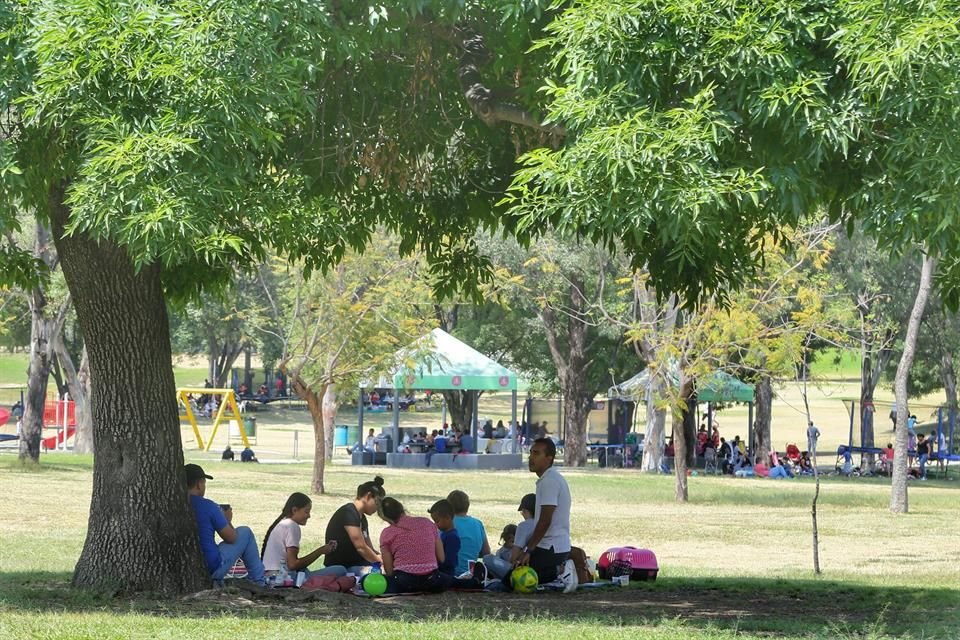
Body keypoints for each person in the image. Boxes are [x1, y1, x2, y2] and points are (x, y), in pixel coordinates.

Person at [185, 463, 265, 585]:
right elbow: (231, 538)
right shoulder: (209, 506)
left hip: (186, 566)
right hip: (210, 567)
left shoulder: (175, 505)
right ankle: (259, 582)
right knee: (245, 532)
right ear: (198, 484)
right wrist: (227, 519)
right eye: (204, 483)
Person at [517, 437, 578, 593]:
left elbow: (545, 520)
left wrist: (529, 550)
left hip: (551, 547)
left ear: (549, 458)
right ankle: (557, 576)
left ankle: (561, 572)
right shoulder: (549, 478)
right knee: (519, 578)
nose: (531, 457)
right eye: (530, 453)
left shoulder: (549, 481)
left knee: (514, 579)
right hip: (555, 546)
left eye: (536, 453)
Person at [260, 492, 345, 581]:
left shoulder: (283, 523)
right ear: (294, 510)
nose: (309, 516)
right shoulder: (292, 526)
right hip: (282, 578)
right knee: (340, 570)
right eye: (306, 512)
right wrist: (320, 551)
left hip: (271, 575)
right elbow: (293, 565)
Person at [378, 497, 451, 594]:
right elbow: (441, 558)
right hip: (432, 580)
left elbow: (389, 571)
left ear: (384, 517)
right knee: (452, 581)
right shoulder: (427, 523)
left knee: (365, 580)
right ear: (401, 508)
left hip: (404, 581)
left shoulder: (387, 533)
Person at [323, 476, 385, 574]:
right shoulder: (349, 513)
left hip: (357, 564)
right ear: (368, 496)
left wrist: (382, 557)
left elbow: (369, 548)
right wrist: (379, 561)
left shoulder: (362, 519)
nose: (378, 508)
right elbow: (361, 547)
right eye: (377, 503)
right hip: (343, 566)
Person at [446, 489, 490, 577]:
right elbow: (486, 552)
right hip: (470, 574)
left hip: (449, 574)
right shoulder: (477, 523)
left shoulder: (446, 523)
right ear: (467, 506)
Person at [428, 499, 460, 576]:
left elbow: (448, 562)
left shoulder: (452, 537)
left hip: (446, 575)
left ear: (447, 518)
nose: (435, 524)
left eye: (437, 521)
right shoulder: (443, 534)